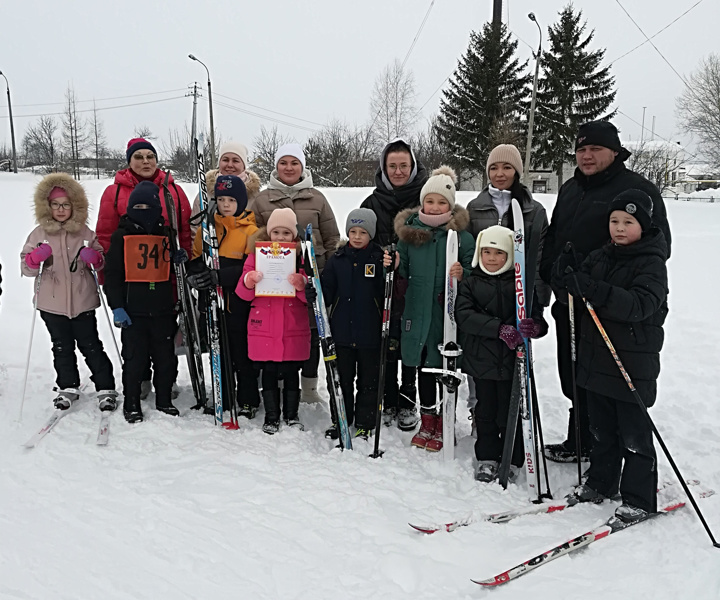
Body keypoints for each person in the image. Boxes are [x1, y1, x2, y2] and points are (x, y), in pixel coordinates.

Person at [539, 120, 672, 463]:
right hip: (568, 300)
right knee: (573, 373)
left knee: (609, 381)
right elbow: (555, 236)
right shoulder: (570, 188)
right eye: (581, 149)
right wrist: (552, 272)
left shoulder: (636, 190)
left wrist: (599, 283)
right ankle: (581, 438)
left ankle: (613, 449)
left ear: (615, 152)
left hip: (611, 307)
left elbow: (658, 246)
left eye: (595, 149)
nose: (586, 156)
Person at [555, 189, 668, 523]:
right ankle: (601, 482)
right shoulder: (602, 255)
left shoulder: (651, 263)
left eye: (628, 222)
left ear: (644, 226)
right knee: (601, 430)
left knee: (633, 436)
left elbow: (639, 306)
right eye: (615, 221)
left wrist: (594, 288)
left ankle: (639, 497)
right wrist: (569, 273)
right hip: (597, 360)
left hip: (630, 362)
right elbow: (577, 288)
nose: (620, 228)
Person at [95, 137, 192, 400]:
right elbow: (105, 234)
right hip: (131, 275)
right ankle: (141, 378)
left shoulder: (173, 190)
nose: (145, 161)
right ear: (129, 161)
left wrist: (185, 261)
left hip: (166, 272)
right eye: (139, 157)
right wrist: (108, 278)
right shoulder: (114, 192)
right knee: (136, 333)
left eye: (150, 156)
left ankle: (166, 378)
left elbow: (184, 230)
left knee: (165, 330)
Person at [249, 143, 340, 404]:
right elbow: (253, 236)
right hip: (273, 281)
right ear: (276, 166)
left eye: (294, 163)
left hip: (311, 276)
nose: (289, 168)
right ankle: (277, 383)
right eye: (283, 163)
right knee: (279, 330)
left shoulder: (317, 198)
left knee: (310, 331)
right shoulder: (262, 199)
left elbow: (332, 237)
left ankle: (309, 387)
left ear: (303, 167)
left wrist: (329, 274)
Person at [465, 143, 549, 422]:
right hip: (483, 293)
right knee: (481, 354)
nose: (500, 173)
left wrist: (537, 301)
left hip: (518, 294)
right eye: (494, 168)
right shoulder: (475, 207)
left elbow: (538, 256)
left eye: (507, 167)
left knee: (514, 356)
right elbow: (469, 252)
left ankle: (513, 412)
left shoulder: (532, 210)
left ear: (517, 171)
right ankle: (480, 413)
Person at [456, 225, 548, 482]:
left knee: (511, 412)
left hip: (512, 363)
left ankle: (514, 456)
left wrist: (534, 327)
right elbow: (463, 315)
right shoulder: (472, 282)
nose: (492, 258)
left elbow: (539, 319)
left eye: (498, 253)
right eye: (486, 252)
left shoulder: (522, 286)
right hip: (481, 361)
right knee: (485, 412)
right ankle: (487, 457)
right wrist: (499, 329)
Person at [20, 173, 117, 411]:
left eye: (66, 205)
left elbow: (100, 262)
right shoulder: (39, 234)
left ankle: (105, 387)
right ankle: (67, 385)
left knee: (91, 345)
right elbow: (26, 267)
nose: (61, 209)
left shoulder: (84, 232)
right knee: (61, 346)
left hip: (83, 301)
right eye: (56, 205)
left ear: (74, 206)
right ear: (48, 206)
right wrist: (34, 259)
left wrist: (94, 258)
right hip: (51, 303)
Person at [395, 166, 474, 452]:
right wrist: (392, 265)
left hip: (446, 314)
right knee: (423, 367)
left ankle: (444, 421)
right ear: (422, 201)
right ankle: (427, 420)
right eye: (431, 200)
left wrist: (463, 273)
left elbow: (474, 272)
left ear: (450, 205)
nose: (436, 206)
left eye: (442, 202)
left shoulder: (462, 238)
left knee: (444, 367)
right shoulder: (410, 235)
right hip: (417, 311)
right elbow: (400, 270)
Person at [360, 138, 428, 432]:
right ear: (383, 169)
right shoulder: (373, 202)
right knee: (387, 342)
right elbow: (360, 238)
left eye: (404, 165)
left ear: (413, 166)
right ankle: (387, 398)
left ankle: (407, 399)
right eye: (392, 166)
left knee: (411, 343)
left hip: (417, 285)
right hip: (382, 284)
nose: (398, 171)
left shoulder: (426, 197)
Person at [103, 182, 180, 423]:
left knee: (166, 359)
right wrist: (116, 305)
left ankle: (164, 399)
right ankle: (132, 401)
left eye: (149, 206)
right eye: (138, 206)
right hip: (132, 312)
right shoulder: (121, 236)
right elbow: (112, 275)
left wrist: (180, 260)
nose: (144, 210)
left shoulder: (166, 234)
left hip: (163, 311)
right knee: (134, 361)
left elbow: (173, 272)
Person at [188, 175, 259, 418]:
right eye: (220, 199)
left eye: (231, 199)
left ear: (241, 201)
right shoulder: (206, 231)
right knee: (220, 354)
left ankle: (248, 399)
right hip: (212, 305)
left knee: (243, 355)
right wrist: (198, 275)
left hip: (239, 305)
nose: (225, 204)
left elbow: (251, 268)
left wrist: (222, 276)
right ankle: (224, 396)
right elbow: (196, 260)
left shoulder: (251, 232)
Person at [319, 208, 392, 440]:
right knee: (341, 381)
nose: (357, 236)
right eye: (353, 231)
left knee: (368, 382)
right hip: (341, 332)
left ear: (371, 233)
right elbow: (327, 293)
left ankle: (364, 422)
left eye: (363, 232)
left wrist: (389, 271)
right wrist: (316, 289)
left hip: (370, 334)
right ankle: (340, 418)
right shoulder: (337, 260)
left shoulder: (379, 259)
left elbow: (387, 293)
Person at [237, 208, 311, 434]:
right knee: (268, 371)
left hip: (292, 324)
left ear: (294, 236)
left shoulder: (302, 256)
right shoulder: (255, 256)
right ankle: (271, 416)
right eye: (276, 232)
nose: (280, 237)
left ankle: (291, 414)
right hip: (265, 324)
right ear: (268, 234)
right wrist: (250, 280)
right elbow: (242, 292)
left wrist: (302, 284)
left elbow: (313, 294)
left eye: (286, 233)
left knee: (291, 372)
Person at [189, 141, 262, 240]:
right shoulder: (206, 193)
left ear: (244, 165)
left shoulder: (255, 195)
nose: (230, 165)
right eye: (225, 160)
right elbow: (194, 229)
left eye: (236, 161)